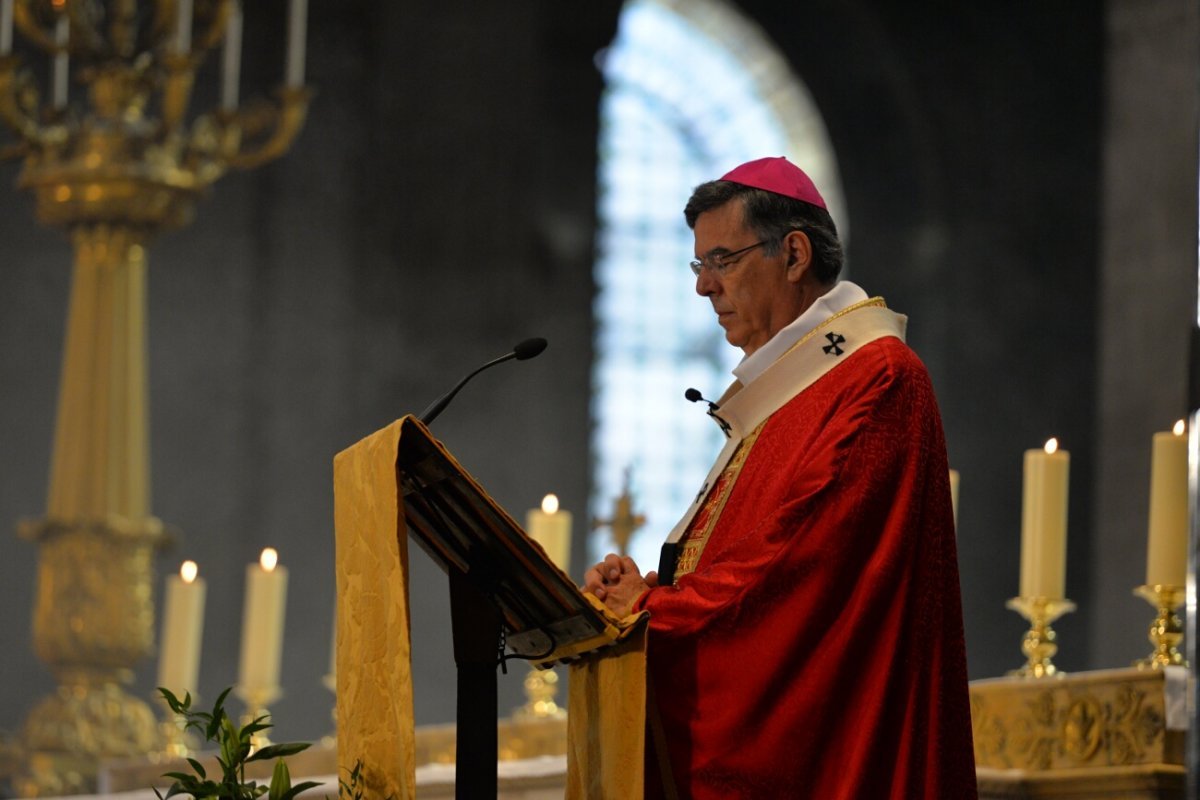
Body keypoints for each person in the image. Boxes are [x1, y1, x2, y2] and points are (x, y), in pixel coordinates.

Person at [583, 157, 977, 799]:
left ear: (793, 254)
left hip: (825, 751)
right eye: (698, 265)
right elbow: (742, 554)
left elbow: (802, 565)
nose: (703, 287)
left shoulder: (876, 378)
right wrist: (647, 588)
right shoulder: (792, 386)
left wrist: (655, 611)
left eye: (722, 260)